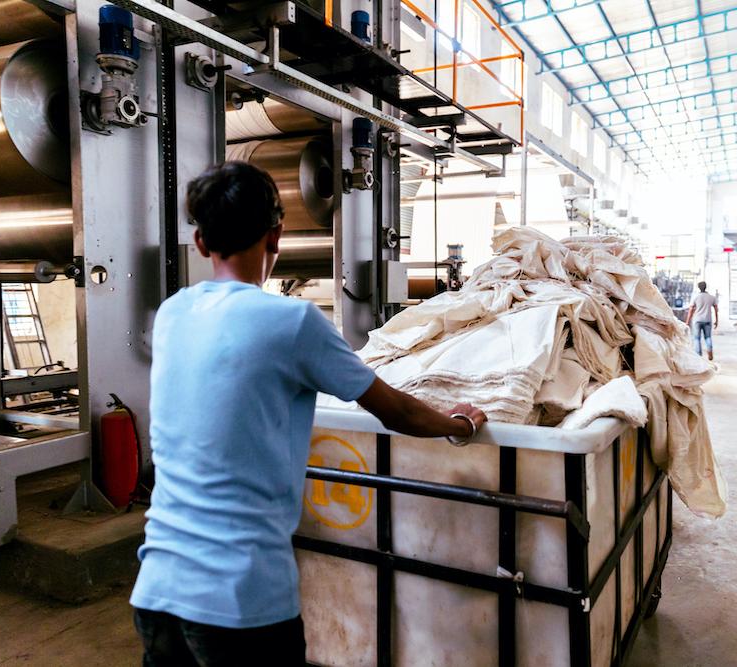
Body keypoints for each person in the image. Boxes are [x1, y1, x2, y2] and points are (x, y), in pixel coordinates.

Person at [129, 161, 487, 666]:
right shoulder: (293, 321)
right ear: (276, 235)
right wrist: (460, 422)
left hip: (156, 590)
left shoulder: (173, 313)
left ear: (201, 243)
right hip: (241, 601)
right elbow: (395, 410)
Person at [685, 281, 718, 360]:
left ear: (698, 287)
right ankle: (710, 351)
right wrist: (717, 320)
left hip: (697, 320)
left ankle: (698, 355)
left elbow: (691, 310)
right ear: (705, 287)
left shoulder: (696, 297)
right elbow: (716, 309)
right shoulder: (711, 297)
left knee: (696, 338)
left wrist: (687, 321)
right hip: (707, 320)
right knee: (708, 337)